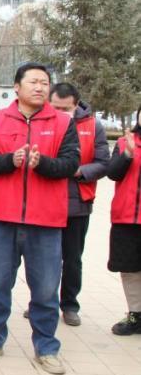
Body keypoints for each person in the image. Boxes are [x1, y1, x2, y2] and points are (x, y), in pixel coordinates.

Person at [0, 62, 79, 375]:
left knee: (45, 288)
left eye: (44, 82)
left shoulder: (61, 122)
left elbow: (71, 163)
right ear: (16, 87)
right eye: (33, 82)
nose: (40, 87)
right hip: (2, 218)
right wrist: (11, 160)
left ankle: (46, 347)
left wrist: (42, 163)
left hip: (46, 220)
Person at [48, 82, 108, 326]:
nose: (60, 112)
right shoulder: (43, 123)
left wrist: (79, 171)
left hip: (77, 202)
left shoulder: (93, 126)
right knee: (45, 257)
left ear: (76, 105)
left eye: (66, 108)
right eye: (55, 107)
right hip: (46, 199)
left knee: (72, 258)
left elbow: (104, 162)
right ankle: (43, 302)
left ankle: (69, 305)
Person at [106, 107, 141, 336]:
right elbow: (113, 174)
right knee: (129, 268)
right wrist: (128, 154)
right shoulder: (124, 143)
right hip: (127, 217)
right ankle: (135, 314)